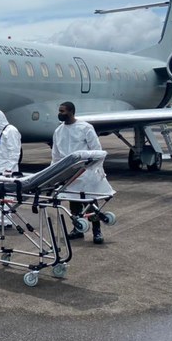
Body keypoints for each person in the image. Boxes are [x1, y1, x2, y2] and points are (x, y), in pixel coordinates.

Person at [52, 101, 108, 244]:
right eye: (59, 110)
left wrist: (97, 170)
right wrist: (55, 175)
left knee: (90, 202)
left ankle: (97, 231)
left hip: (86, 173)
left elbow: (97, 150)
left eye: (62, 111)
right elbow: (56, 155)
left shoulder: (85, 128)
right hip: (70, 174)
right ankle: (77, 229)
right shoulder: (58, 131)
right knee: (74, 203)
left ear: (71, 111)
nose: (60, 114)